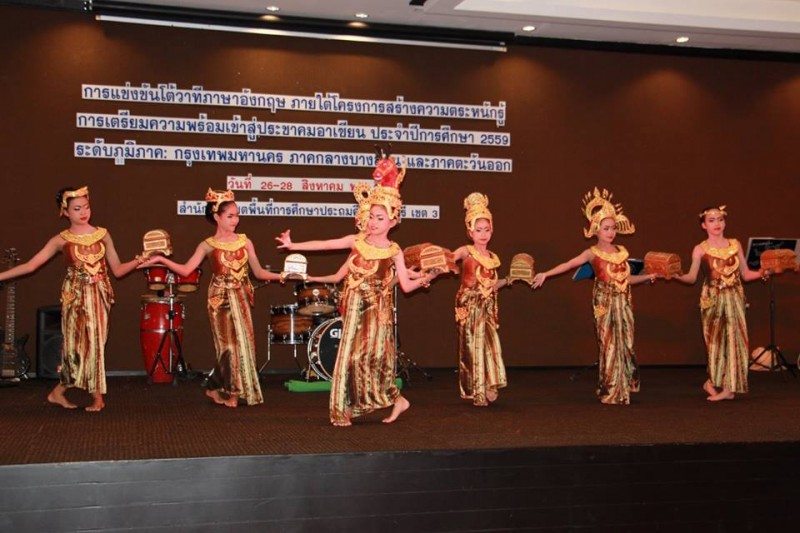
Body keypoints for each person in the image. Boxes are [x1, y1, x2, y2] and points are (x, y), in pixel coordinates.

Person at [276, 150, 438, 426]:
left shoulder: (394, 250)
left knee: (367, 357)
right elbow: (326, 244)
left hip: (376, 312)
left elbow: (406, 285)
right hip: (353, 308)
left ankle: (390, 399)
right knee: (348, 358)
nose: (373, 222)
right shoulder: (357, 241)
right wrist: (293, 245)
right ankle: (349, 406)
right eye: (371, 216)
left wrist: (426, 277)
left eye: (380, 218)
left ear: (393, 221)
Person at [0, 186, 141, 411]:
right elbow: (31, 265)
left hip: (99, 295)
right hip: (74, 297)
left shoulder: (103, 235)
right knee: (75, 348)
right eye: (77, 208)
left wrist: (140, 260)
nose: (83, 212)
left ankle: (74, 394)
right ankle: (84, 395)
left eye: (86, 207)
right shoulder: (60, 240)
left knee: (96, 343)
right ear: (65, 212)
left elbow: (118, 270)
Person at [147, 189, 282, 408]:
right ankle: (231, 392)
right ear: (216, 217)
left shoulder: (245, 241)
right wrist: (162, 260)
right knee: (227, 347)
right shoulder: (207, 245)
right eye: (230, 216)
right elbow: (186, 269)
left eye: (237, 215)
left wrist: (283, 275)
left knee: (243, 344)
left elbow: (258, 272)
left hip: (240, 297)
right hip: (219, 299)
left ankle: (217, 388)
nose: (235, 220)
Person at [532, 187, 655, 405]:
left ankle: (624, 385)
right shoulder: (591, 253)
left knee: (626, 344)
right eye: (606, 228)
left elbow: (625, 279)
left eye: (613, 228)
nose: (611, 232)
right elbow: (569, 264)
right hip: (604, 303)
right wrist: (546, 274)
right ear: (596, 229)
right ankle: (610, 389)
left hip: (623, 304)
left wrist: (647, 277)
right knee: (609, 345)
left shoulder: (622, 252)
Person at [671, 205, 763, 401]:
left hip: (734, 298)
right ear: (704, 225)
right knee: (715, 342)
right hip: (713, 300)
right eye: (711, 220)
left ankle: (729, 387)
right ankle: (713, 381)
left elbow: (746, 274)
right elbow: (691, 278)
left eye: (720, 219)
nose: (717, 223)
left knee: (736, 341)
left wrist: (765, 272)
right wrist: (675, 275)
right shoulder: (700, 249)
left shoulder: (735, 244)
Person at [450, 192, 510, 407]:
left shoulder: (493, 257)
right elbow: (449, 260)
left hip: (487, 306)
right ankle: (477, 391)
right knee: (472, 346)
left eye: (486, 229)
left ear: (491, 230)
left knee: (491, 345)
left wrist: (509, 279)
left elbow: (491, 285)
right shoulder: (466, 251)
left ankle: (490, 384)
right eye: (478, 230)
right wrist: (430, 271)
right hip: (469, 304)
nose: (483, 234)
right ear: (470, 231)